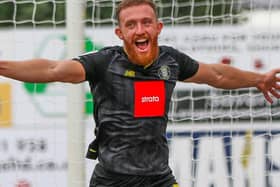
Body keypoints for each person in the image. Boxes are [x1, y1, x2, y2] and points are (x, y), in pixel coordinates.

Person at [1, 0, 280, 186]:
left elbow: (216, 75)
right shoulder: (103, 63)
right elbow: (52, 69)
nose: (140, 29)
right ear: (120, 33)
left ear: (158, 28)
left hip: (158, 177)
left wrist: (258, 80)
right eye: (131, 25)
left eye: (146, 22)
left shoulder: (171, 61)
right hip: (111, 179)